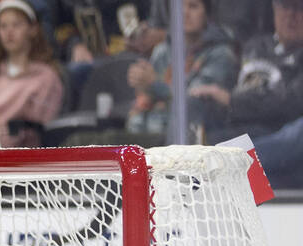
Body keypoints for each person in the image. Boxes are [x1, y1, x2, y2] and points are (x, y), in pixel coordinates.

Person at [125, 0, 236, 143]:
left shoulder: (221, 54)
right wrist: (142, 87)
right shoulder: (162, 51)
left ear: (207, 14)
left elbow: (195, 100)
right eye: (180, 7)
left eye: (193, 6)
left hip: (196, 136)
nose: (185, 13)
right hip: (155, 131)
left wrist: (154, 83)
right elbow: (147, 99)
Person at [0, 0, 66, 147]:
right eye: (3, 26)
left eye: (16, 24)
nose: (9, 32)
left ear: (33, 29)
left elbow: (37, 131)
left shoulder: (46, 78)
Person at [204, 0, 303, 141]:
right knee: (196, 103)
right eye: (285, 6)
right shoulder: (254, 46)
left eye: (299, 8)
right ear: (274, 9)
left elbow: (290, 104)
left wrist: (232, 101)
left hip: (275, 136)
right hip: (236, 129)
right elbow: (227, 87)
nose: (291, 15)